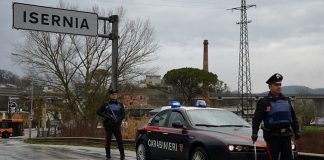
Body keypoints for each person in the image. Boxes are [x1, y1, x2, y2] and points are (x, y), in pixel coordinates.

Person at [251, 73, 300, 160]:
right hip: (272, 137)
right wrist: (254, 133)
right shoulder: (264, 102)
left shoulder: (286, 100)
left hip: (286, 136)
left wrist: (297, 131)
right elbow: (256, 120)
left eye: (280, 84)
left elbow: (293, 117)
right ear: (270, 87)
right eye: (276, 84)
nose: (279, 87)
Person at [97, 89, 125, 160]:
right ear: (110, 95)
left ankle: (122, 155)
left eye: (115, 94)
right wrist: (105, 115)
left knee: (120, 140)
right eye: (113, 95)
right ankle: (108, 155)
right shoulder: (106, 104)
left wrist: (118, 119)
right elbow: (98, 112)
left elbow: (123, 114)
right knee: (108, 140)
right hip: (108, 125)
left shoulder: (120, 105)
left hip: (117, 125)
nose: (114, 96)